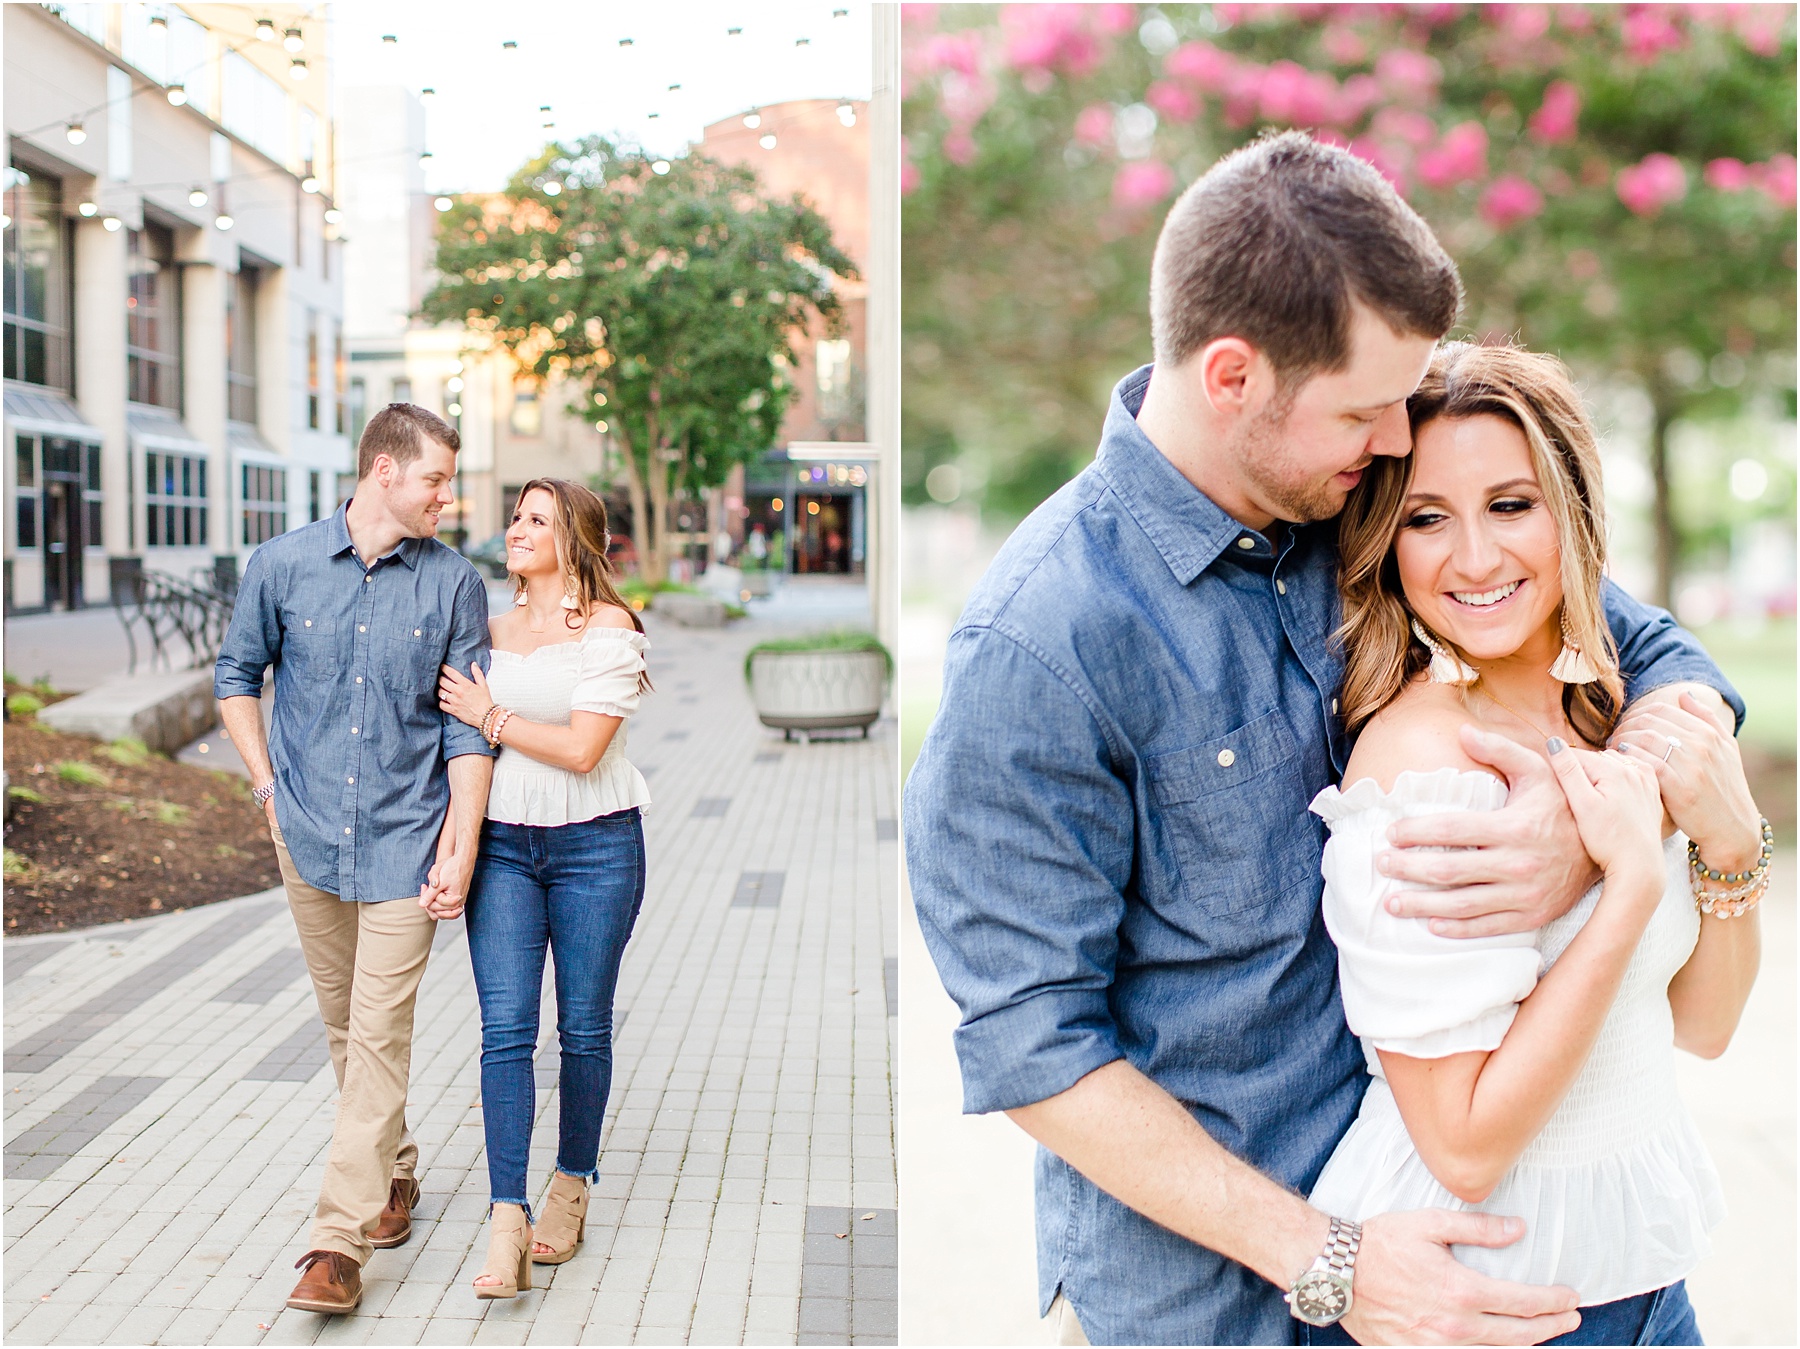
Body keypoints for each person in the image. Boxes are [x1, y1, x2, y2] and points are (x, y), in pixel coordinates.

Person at [903, 131, 1743, 1346]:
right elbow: (1033, 1043)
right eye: (1368, 407)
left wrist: (1600, 818)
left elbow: (1654, 652)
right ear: (1234, 375)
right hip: (1219, 1300)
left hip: (1484, 1249)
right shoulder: (1042, 644)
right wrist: (1334, 1259)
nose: (1401, 439)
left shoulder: (1357, 498)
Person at [1303, 343, 1763, 1346]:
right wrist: (1633, 880)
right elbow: (1463, 1141)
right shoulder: (1423, 767)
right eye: (1428, 517)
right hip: (1486, 1302)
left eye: (1512, 504)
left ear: (1576, 514)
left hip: (1643, 1285)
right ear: (1386, 541)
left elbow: (1703, 1023)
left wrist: (1730, 846)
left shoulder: (1604, 711)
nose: (1474, 557)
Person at [214, 403, 497, 1315]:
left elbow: (467, 730)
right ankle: (398, 1174)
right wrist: (266, 787)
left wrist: (462, 844)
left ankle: (335, 1243)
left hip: (407, 844)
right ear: (384, 471)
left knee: (379, 1034)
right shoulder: (283, 564)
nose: (447, 498)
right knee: (345, 1027)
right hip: (308, 837)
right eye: (435, 480)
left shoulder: (454, 583)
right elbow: (235, 678)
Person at [434, 478, 652, 1299]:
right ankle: (505, 1222)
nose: (517, 528)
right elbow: (457, 749)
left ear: (576, 537)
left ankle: (572, 1184)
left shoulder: (610, 629)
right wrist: (453, 849)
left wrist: (493, 717)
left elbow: (584, 749)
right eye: (515, 516)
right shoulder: (485, 632)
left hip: (599, 847)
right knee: (505, 1031)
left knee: (584, 1027)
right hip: (504, 852)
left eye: (536, 518)